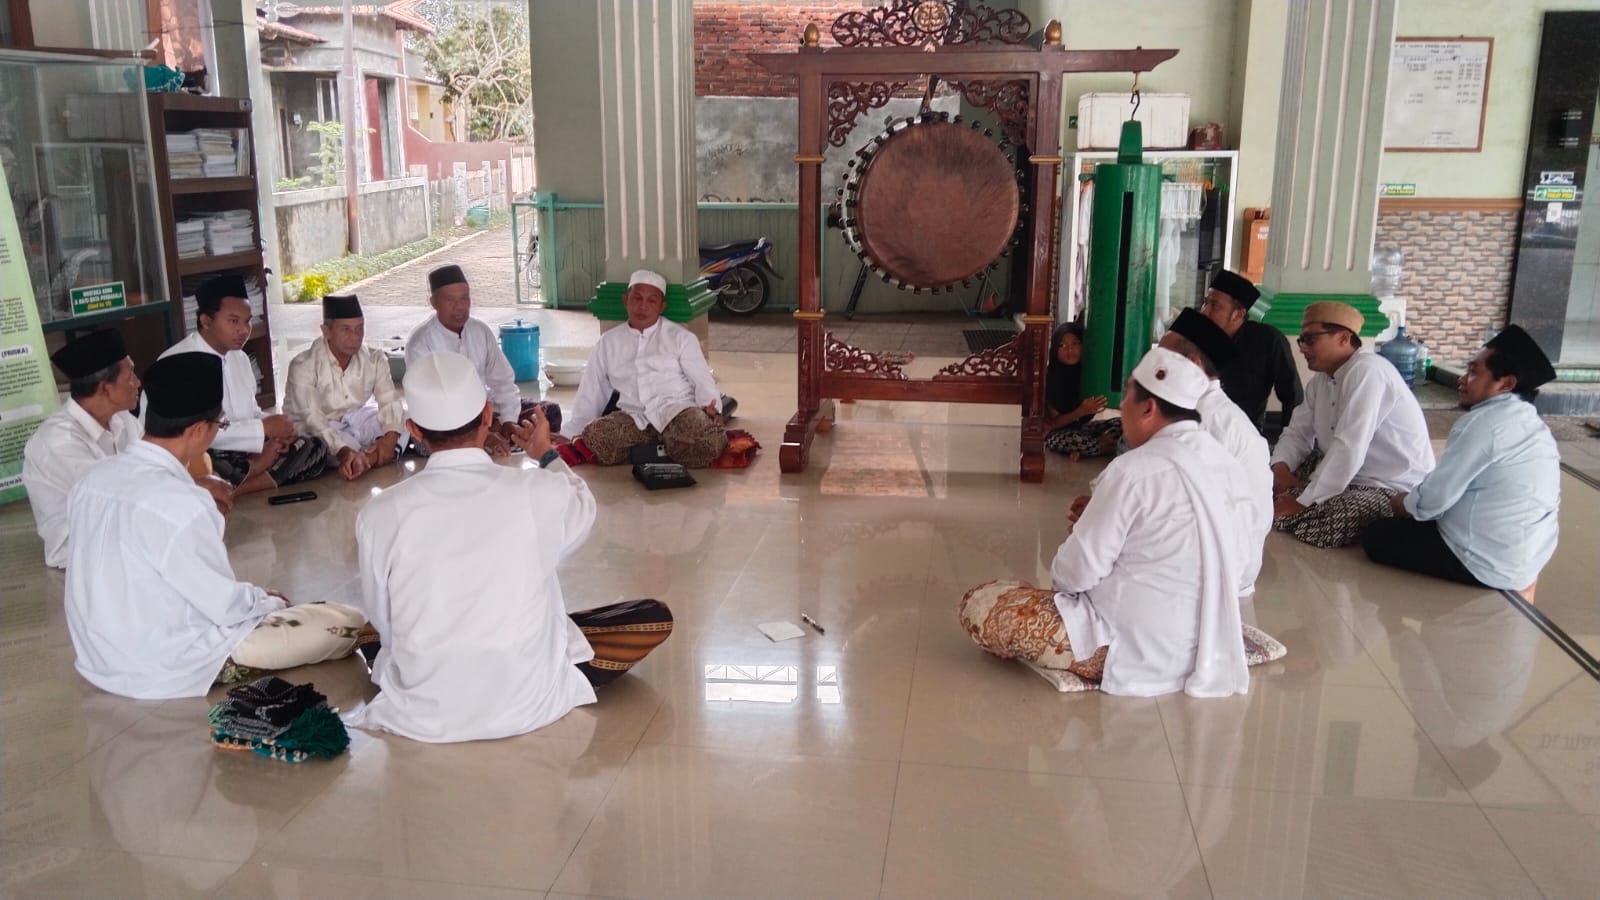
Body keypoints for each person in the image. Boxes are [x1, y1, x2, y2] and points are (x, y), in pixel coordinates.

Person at [350, 352, 673, 742]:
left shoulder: (379, 513)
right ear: (488, 415)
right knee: (652, 617)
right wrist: (547, 455)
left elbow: (384, 618)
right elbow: (582, 507)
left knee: (369, 628)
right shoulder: (536, 491)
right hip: (528, 699)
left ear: (414, 430)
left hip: (425, 705)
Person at [63, 352, 366, 700]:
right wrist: (265, 601)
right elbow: (224, 607)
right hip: (162, 665)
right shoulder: (183, 502)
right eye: (219, 426)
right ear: (196, 430)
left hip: (97, 657)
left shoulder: (93, 479)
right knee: (345, 622)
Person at [959, 348, 1256, 698]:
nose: (1122, 405)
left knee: (979, 605)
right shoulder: (1226, 464)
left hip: (1131, 647)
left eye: (1128, 393)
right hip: (1209, 639)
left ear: (1149, 408)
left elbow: (1072, 576)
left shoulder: (1134, 471)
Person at [1363, 325, 1560, 595]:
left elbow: (1434, 499)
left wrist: (1403, 503)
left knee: (1377, 534)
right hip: (1527, 560)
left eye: (1473, 372)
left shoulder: (1484, 424)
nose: (1462, 380)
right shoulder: (1534, 425)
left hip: (1484, 561)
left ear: (1505, 384)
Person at [24, 329, 232, 568]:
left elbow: (153, 467)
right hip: (83, 554)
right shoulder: (56, 441)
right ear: (105, 388)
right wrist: (196, 487)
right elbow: (115, 496)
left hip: (129, 534)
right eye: (130, 374)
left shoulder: (122, 419)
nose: (138, 382)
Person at [1270, 301, 1434, 548]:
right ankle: (1304, 498)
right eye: (1301, 340)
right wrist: (1280, 470)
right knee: (1264, 478)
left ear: (1344, 338)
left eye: (1310, 339)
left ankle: (1306, 502)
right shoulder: (1320, 382)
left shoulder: (1368, 371)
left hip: (1388, 485)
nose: (1302, 348)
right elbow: (1297, 433)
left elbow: (1349, 446)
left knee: (1325, 525)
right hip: (1345, 472)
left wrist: (1302, 502)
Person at [163, 274, 327, 494]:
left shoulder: (239, 358)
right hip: (200, 452)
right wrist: (262, 430)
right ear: (206, 321)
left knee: (314, 447)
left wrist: (276, 430)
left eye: (247, 320)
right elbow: (198, 434)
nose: (244, 329)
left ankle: (230, 487)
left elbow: (250, 412)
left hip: (244, 450)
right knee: (214, 461)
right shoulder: (180, 363)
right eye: (233, 321)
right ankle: (244, 478)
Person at [563, 269, 731, 468]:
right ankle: (666, 447)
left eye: (651, 301)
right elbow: (591, 391)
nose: (642, 307)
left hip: (677, 411)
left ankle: (650, 449)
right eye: (637, 298)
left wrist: (711, 410)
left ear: (662, 307)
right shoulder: (608, 342)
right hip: (634, 418)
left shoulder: (681, 338)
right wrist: (569, 433)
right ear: (626, 300)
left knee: (710, 443)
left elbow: (703, 381)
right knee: (595, 436)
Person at [1159, 308, 1273, 599]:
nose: (1151, 366)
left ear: (1192, 365)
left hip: (1220, 572)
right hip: (1233, 563)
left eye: (1160, 358)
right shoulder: (1202, 408)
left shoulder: (1204, 421)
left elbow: (1172, 503)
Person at [405, 264, 546, 457]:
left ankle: (492, 435)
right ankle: (479, 442)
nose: (461, 306)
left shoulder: (480, 331)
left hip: (484, 414)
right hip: (443, 426)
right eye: (450, 300)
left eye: (465, 298)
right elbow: (430, 404)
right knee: (435, 443)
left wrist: (508, 421)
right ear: (434, 302)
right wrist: (483, 433)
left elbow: (503, 381)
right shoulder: (420, 343)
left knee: (547, 413)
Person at [283, 294, 405, 481]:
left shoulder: (374, 358)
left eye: (360, 328)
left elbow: (389, 400)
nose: (355, 337)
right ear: (326, 331)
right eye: (346, 329)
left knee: (406, 418)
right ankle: (367, 456)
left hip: (355, 418)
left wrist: (389, 437)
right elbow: (313, 420)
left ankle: (367, 459)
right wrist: (343, 451)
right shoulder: (303, 365)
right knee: (318, 446)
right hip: (316, 428)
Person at [1200, 269, 1303, 434]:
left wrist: (1288, 449)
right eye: (1205, 302)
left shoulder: (1268, 340)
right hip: (1197, 430)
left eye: (1215, 306)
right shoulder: (1195, 337)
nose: (1204, 311)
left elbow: (1292, 397)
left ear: (1238, 314)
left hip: (1244, 434)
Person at [1043, 322, 1122, 459]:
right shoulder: (1051, 377)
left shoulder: (1088, 373)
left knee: (1121, 424)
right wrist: (1082, 410)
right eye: (1062, 345)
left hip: (1084, 428)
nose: (1070, 350)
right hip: (1056, 433)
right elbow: (1055, 423)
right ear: (1055, 349)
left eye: (1076, 343)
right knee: (1075, 439)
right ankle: (1100, 448)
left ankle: (1090, 448)